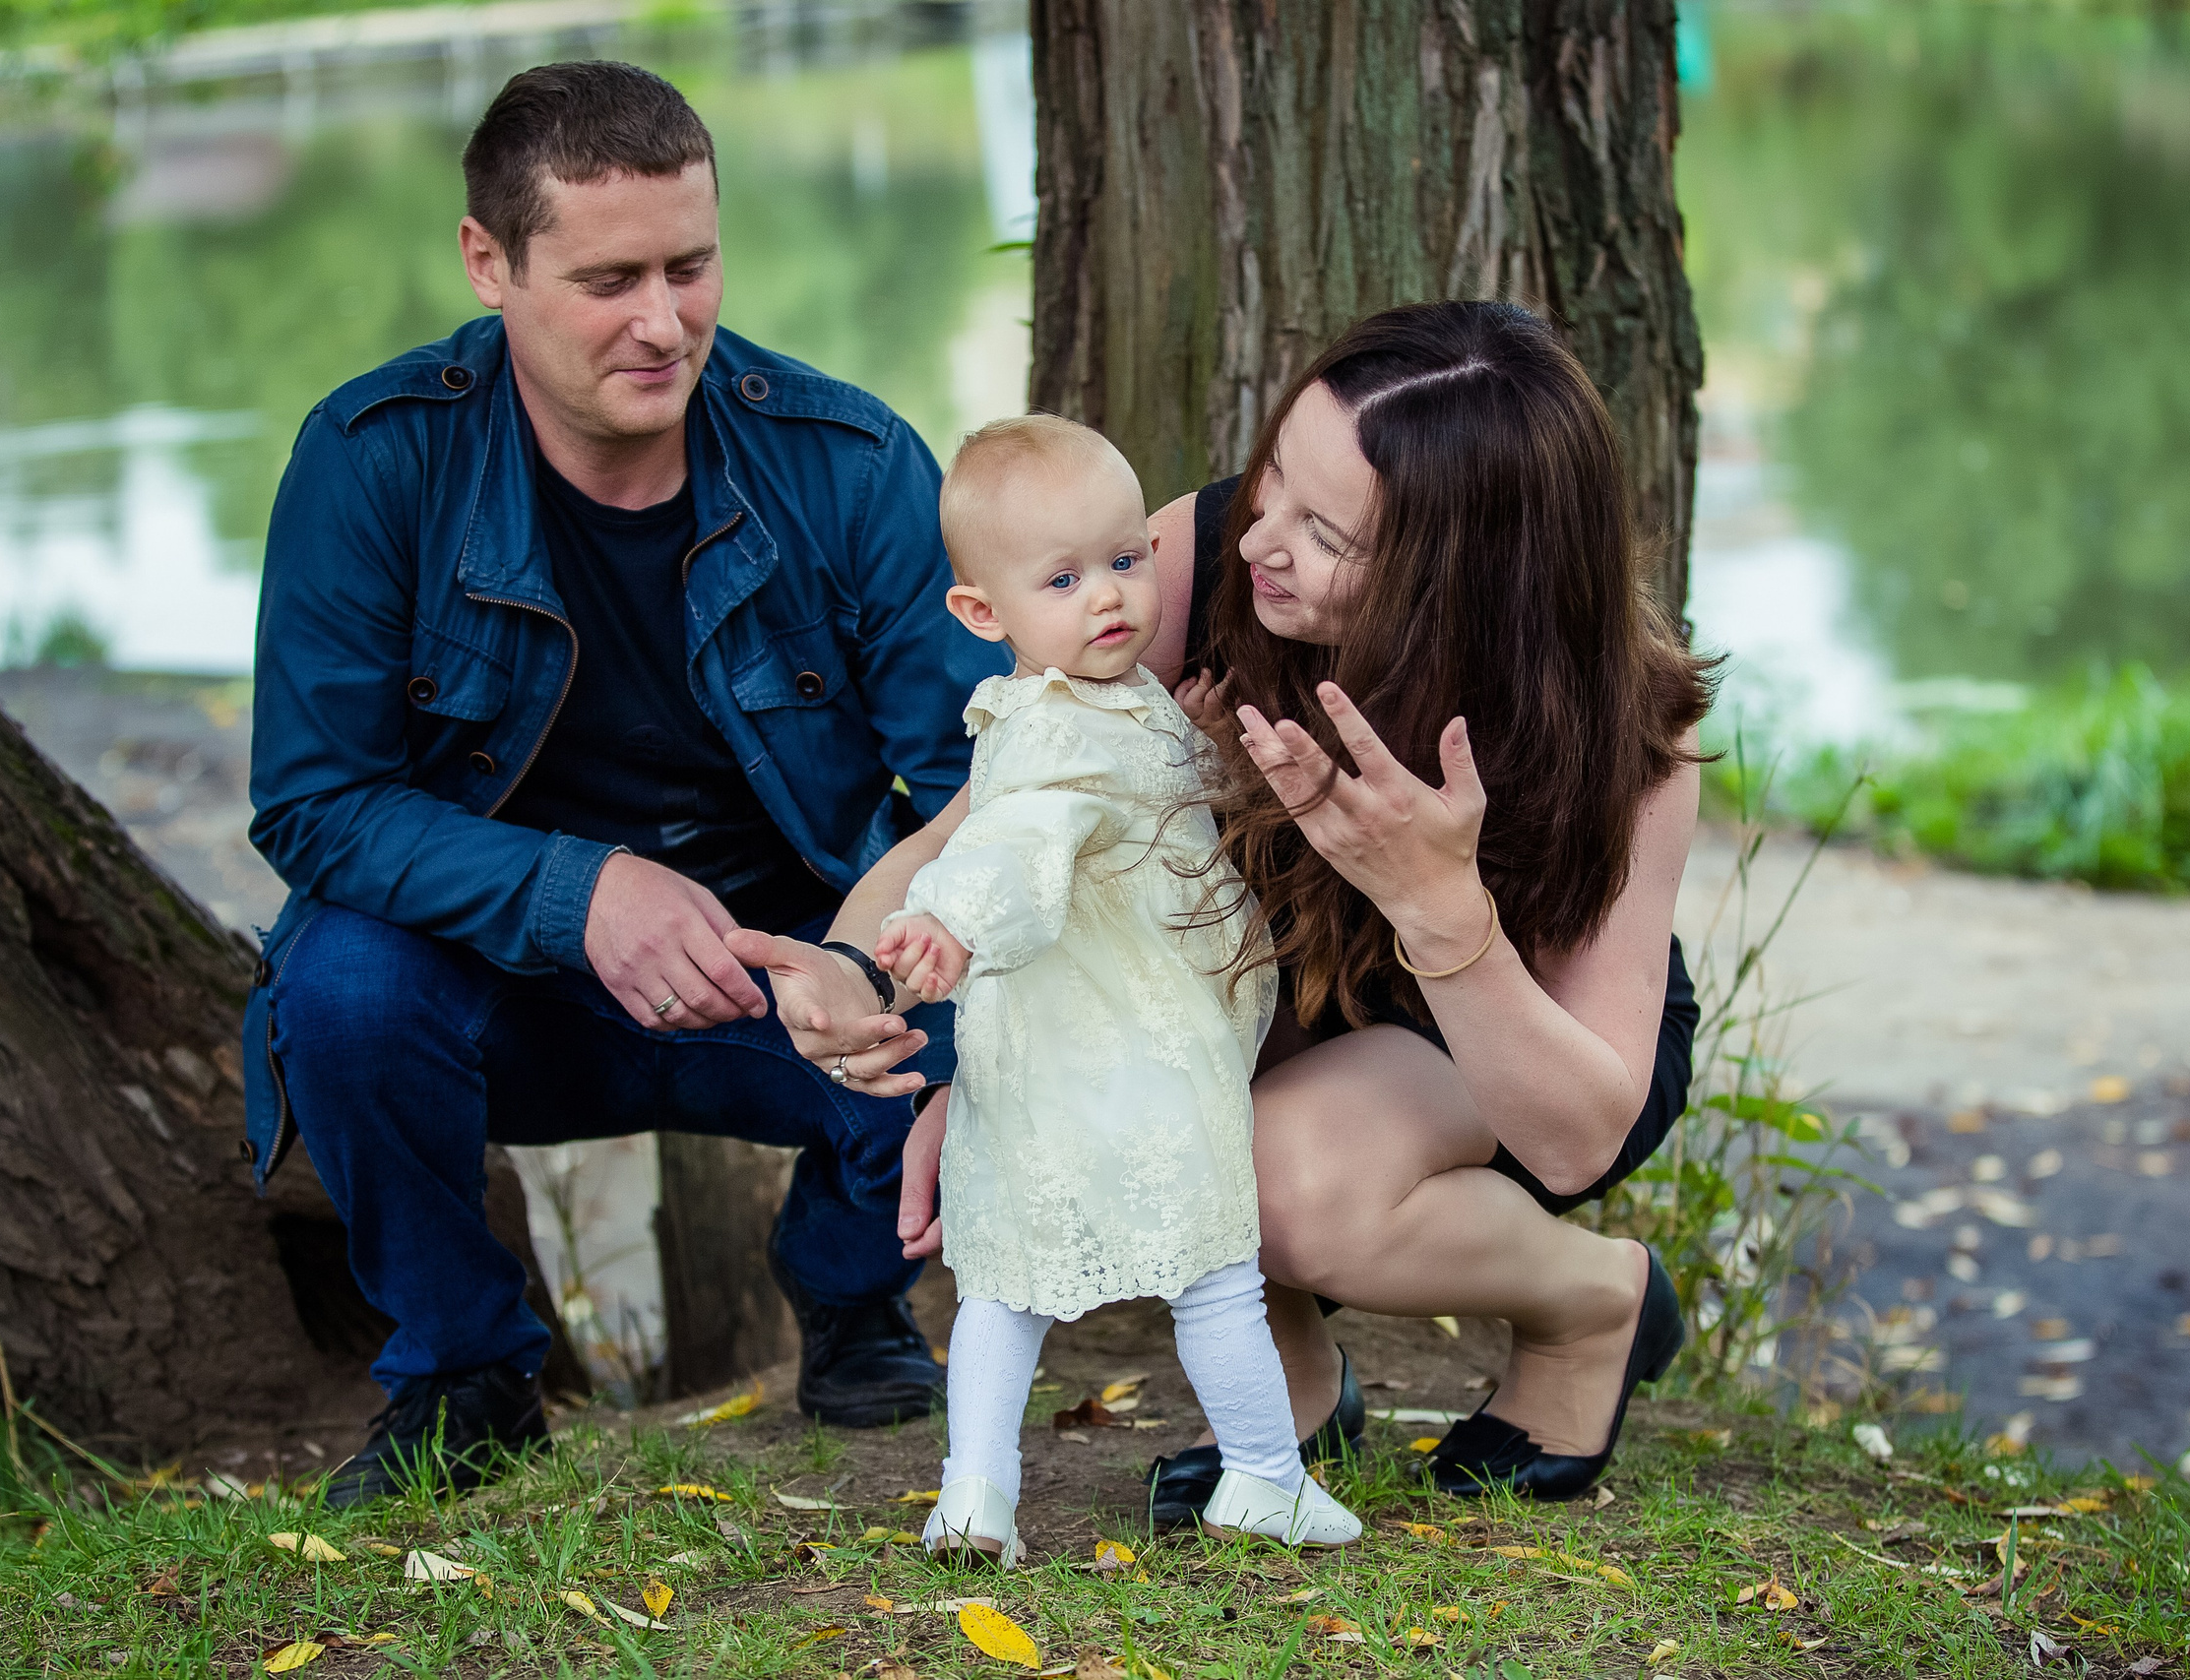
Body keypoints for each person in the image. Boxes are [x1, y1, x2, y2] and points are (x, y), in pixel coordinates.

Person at [786, 301, 1714, 1518]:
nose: (1260, 539)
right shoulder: (1200, 559)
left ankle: (1592, 1304)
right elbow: (988, 830)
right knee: (1141, 1126)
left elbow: (1579, 1133)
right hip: (1246, 984)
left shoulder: (1625, 722)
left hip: (1494, 1027)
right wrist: (871, 984)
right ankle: (1295, 1390)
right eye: (1274, 474)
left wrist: (1439, 905)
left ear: (1466, 575)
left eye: (1326, 532)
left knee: (1277, 1180)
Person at [239, 59, 1006, 1506]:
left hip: (792, 982)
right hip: (506, 989)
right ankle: (465, 1368)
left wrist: (869, 949)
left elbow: (987, 777)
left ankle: (851, 1297)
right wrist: (574, 890)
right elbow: (312, 802)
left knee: (1001, 956)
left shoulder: (844, 458)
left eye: (691, 265)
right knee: (333, 988)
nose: (665, 323)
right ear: (489, 261)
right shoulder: (371, 461)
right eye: (609, 280)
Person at [872, 416, 1360, 1562]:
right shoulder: (1052, 737)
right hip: (1127, 1052)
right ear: (983, 615)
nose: (1109, 599)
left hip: (1048, 1049)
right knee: (1210, 1273)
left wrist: (1195, 751)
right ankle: (1262, 1474)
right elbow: (1021, 845)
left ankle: (976, 1495)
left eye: (1126, 562)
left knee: (1005, 1282)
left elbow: (1147, 811)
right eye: (1062, 579)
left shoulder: (1107, 703)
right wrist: (949, 919)